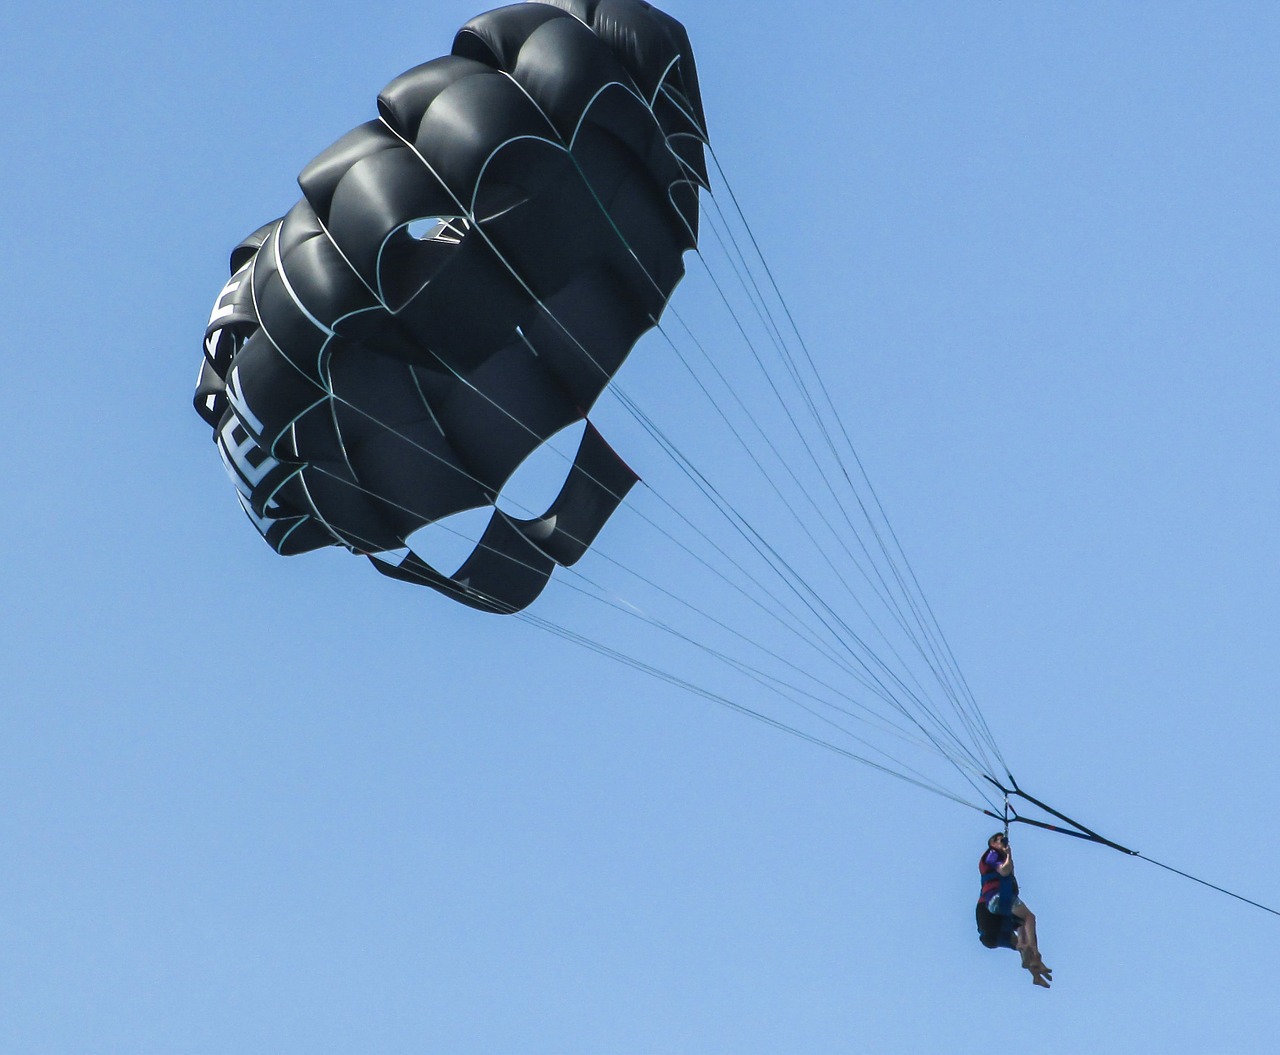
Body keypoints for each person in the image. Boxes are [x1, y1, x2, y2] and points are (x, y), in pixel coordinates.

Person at [979, 831, 1051, 987]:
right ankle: (1036, 953)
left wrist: (1008, 857)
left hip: (995, 919)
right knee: (1029, 918)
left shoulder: (1000, 856)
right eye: (999, 841)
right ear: (992, 844)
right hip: (997, 900)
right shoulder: (991, 854)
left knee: (1021, 932)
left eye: (1004, 841)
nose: (1003, 843)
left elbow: (1009, 874)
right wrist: (1008, 857)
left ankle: (1035, 972)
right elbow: (1004, 871)